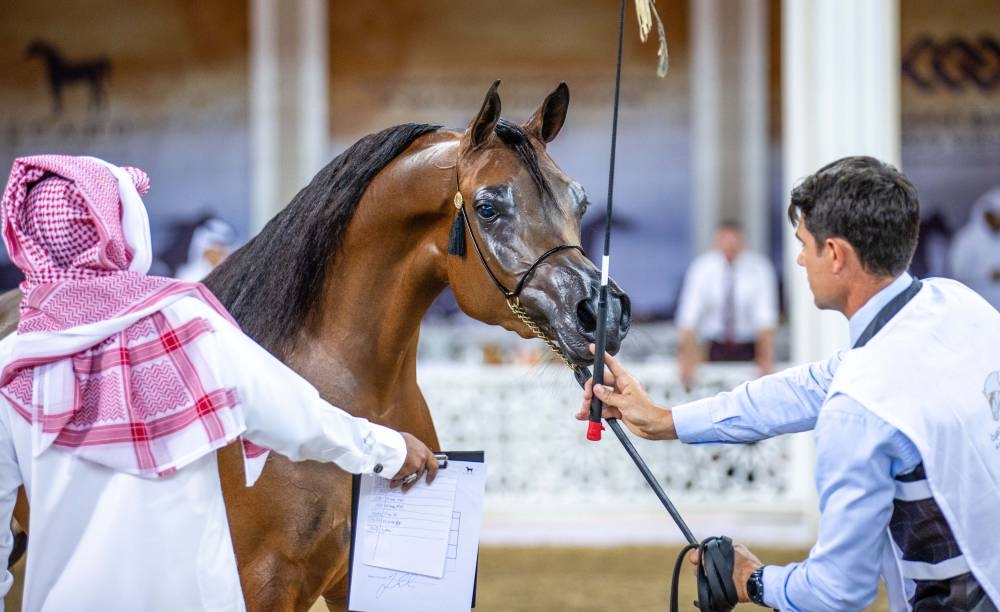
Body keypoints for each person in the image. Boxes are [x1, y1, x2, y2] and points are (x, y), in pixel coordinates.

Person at [0, 155, 439, 611]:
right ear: (117, 229)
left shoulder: (11, 364)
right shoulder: (183, 326)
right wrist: (388, 450)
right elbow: (293, 414)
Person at [578, 156, 1000, 611]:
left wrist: (752, 581)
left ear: (835, 254)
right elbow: (802, 389)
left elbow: (839, 592)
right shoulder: (959, 304)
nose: (799, 259)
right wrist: (665, 420)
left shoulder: (859, 407)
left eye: (804, 244)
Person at [674, 220, 778, 390]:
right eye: (725, 241)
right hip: (711, 348)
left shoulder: (759, 268)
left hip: (748, 348)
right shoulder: (702, 268)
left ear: (742, 242)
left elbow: (765, 318)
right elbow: (689, 316)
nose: (729, 247)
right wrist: (686, 358)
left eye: (734, 242)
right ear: (717, 241)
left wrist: (765, 358)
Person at [949, 187, 1000, 311]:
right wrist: (987, 275)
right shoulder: (966, 239)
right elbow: (957, 272)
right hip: (978, 306)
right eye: (996, 215)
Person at [174, 215, 239, 281]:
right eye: (215, 244)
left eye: (223, 246)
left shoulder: (235, 277)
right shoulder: (187, 276)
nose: (218, 251)